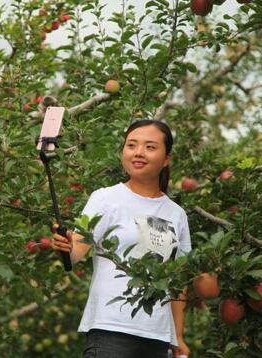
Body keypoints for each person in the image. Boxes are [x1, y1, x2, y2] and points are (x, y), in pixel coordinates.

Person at [51, 119, 192, 358]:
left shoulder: (175, 214)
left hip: (157, 337)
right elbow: (74, 254)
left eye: (150, 147)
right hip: (110, 331)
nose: (138, 153)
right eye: (131, 145)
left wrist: (177, 335)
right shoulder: (105, 199)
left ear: (166, 158)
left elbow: (176, 281)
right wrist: (63, 245)